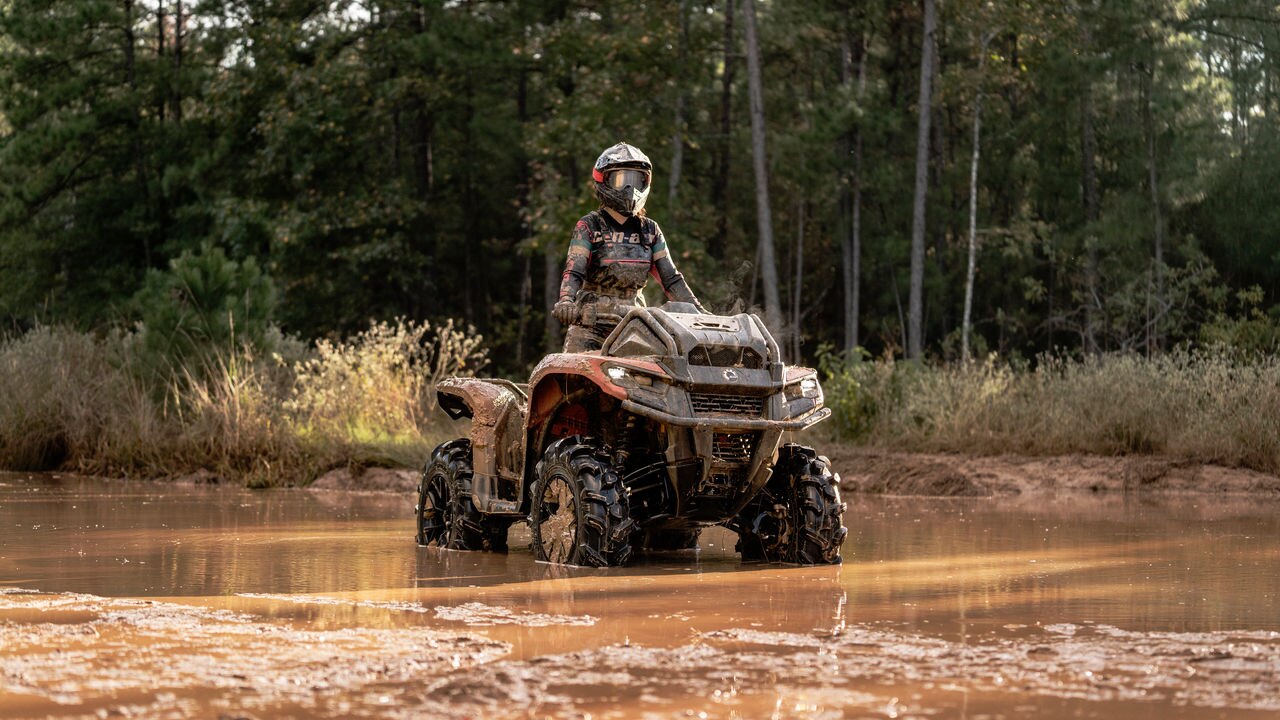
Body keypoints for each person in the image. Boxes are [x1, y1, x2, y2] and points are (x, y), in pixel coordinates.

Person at [552, 142, 705, 352]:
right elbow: (574, 270)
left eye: (635, 180)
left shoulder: (650, 229)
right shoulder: (588, 225)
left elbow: (671, 278)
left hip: (635, 325)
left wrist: (699, 313)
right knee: (574, 377)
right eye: (621, 180)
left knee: (655, 377)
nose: (629, 188)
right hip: (590, 324)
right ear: (604, 181)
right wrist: (567, 301)